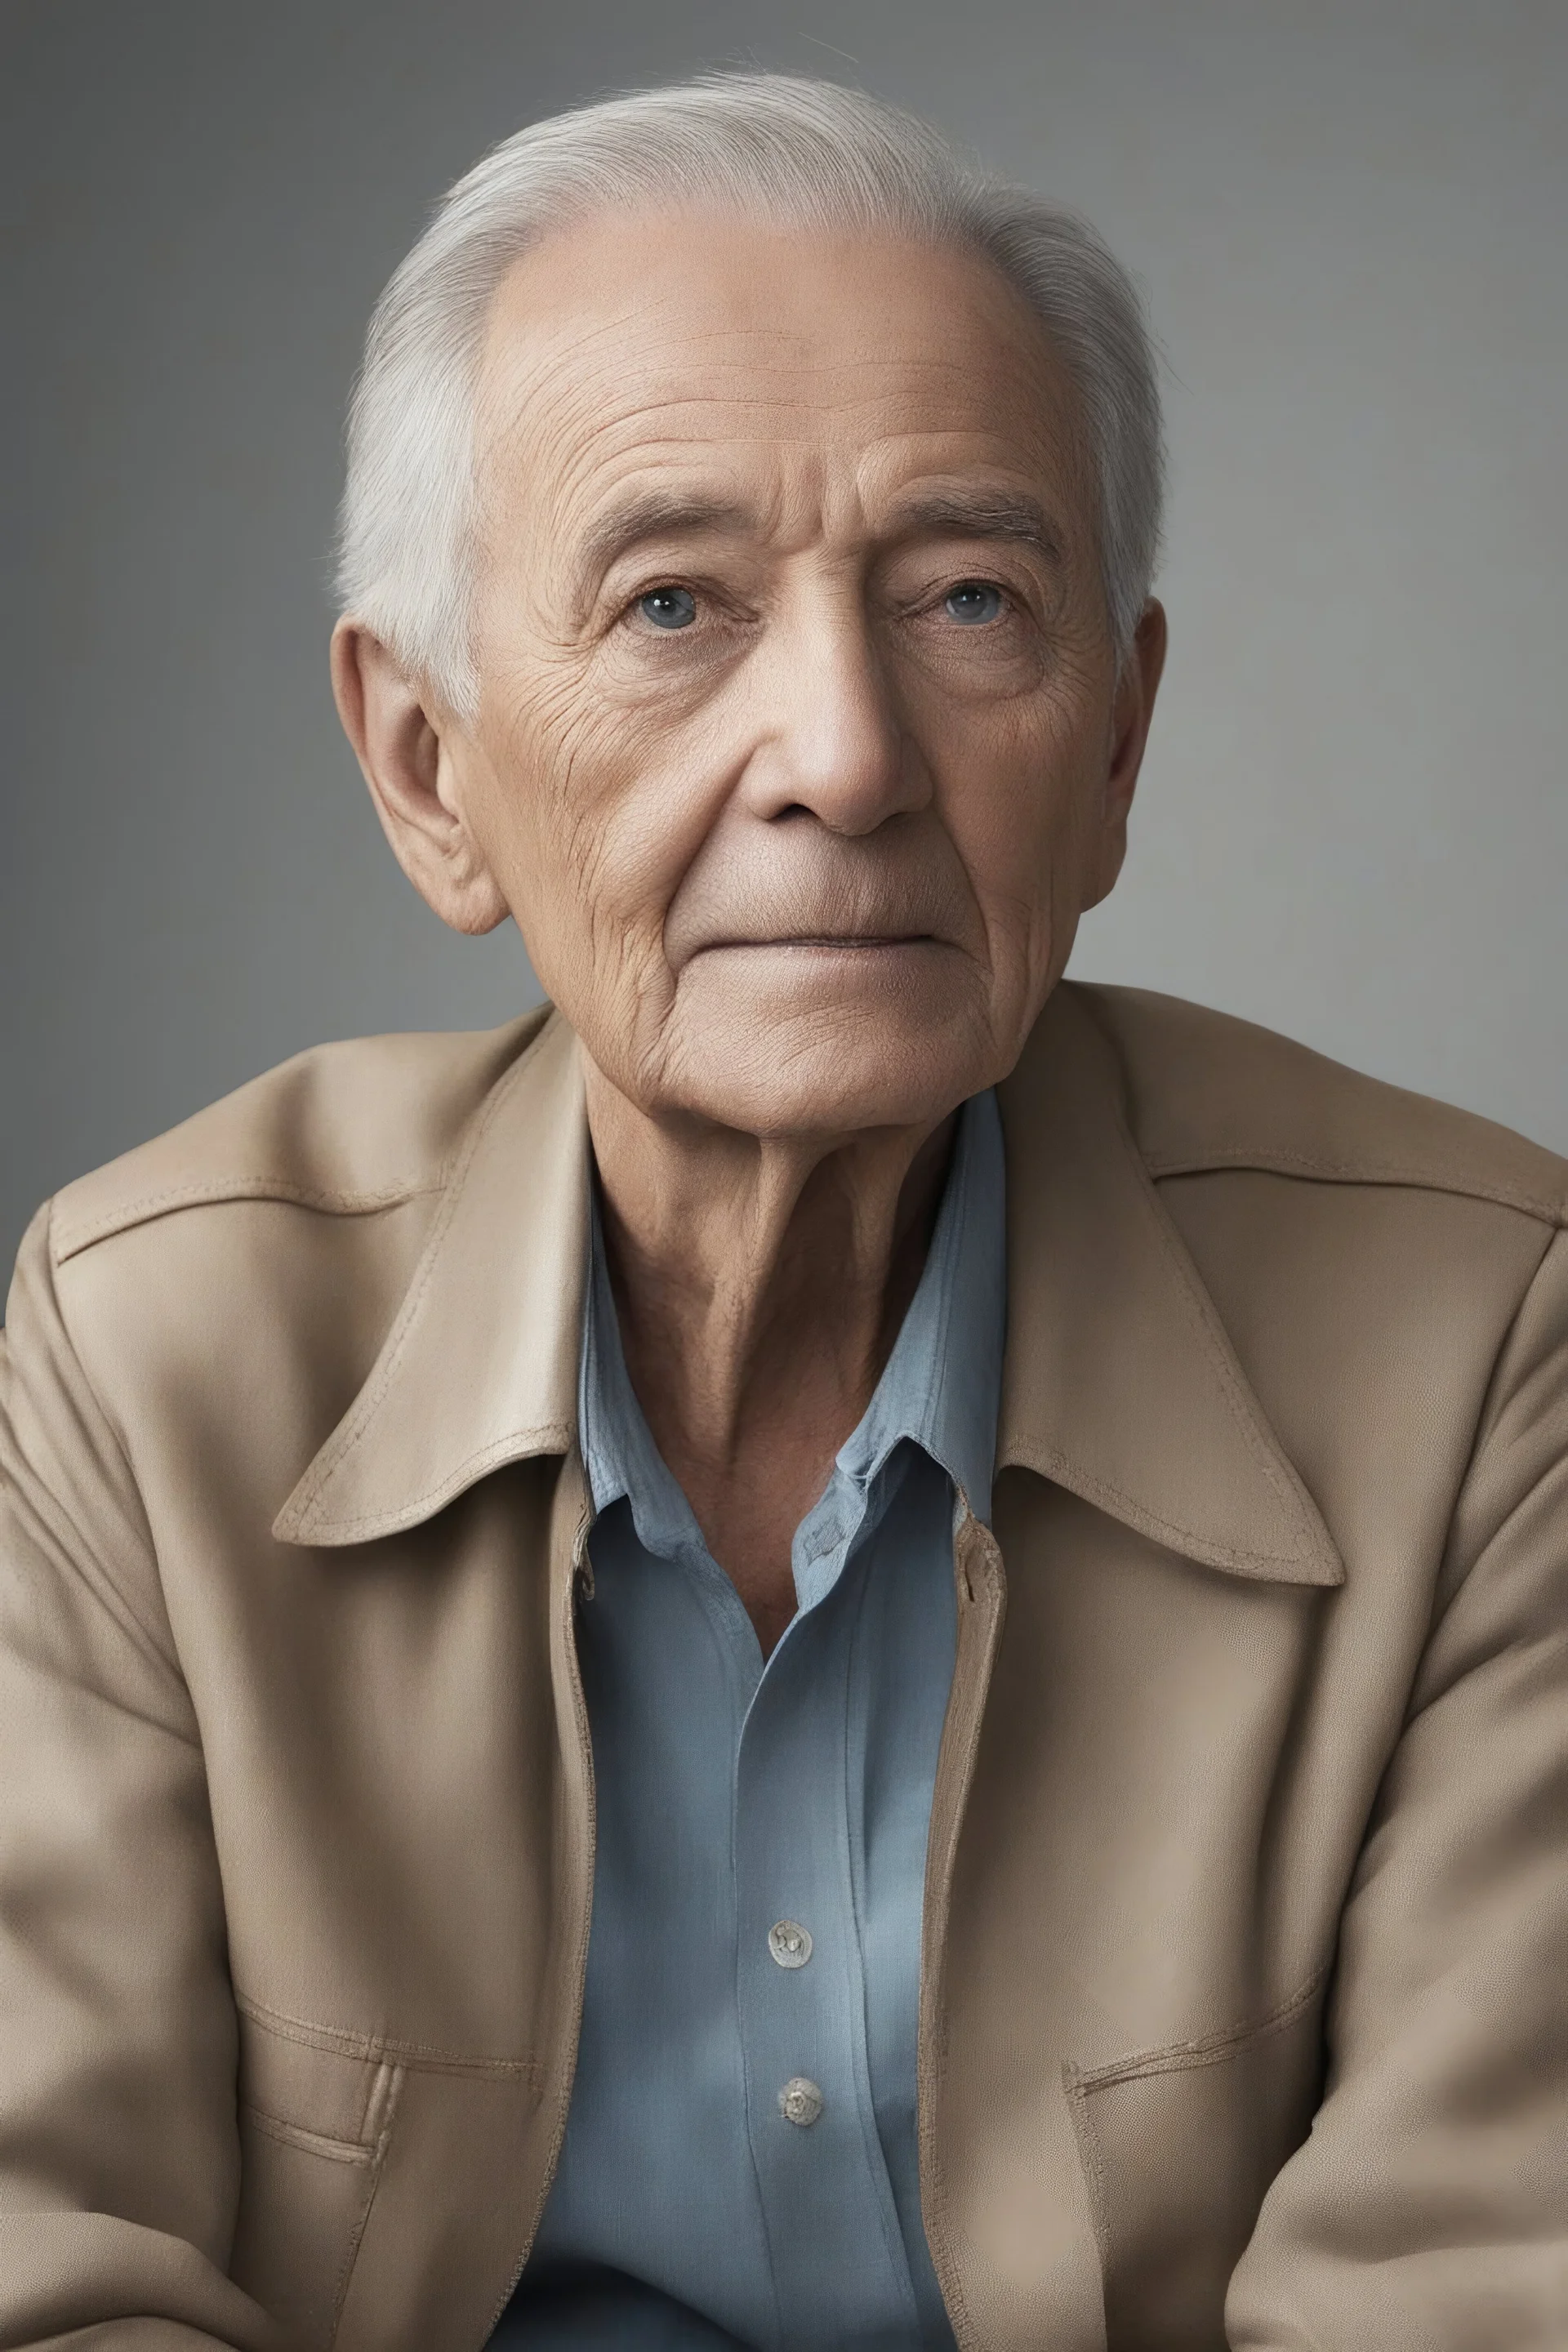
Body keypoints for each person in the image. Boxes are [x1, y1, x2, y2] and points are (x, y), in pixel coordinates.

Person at [1, 71, 1563, 2352]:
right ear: (430, 771)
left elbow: (1473, 2298)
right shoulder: (151, 1355)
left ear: (1116, 748)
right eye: (671, 603)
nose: (841, 751)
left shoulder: (1483, 1337)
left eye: (965, 595)